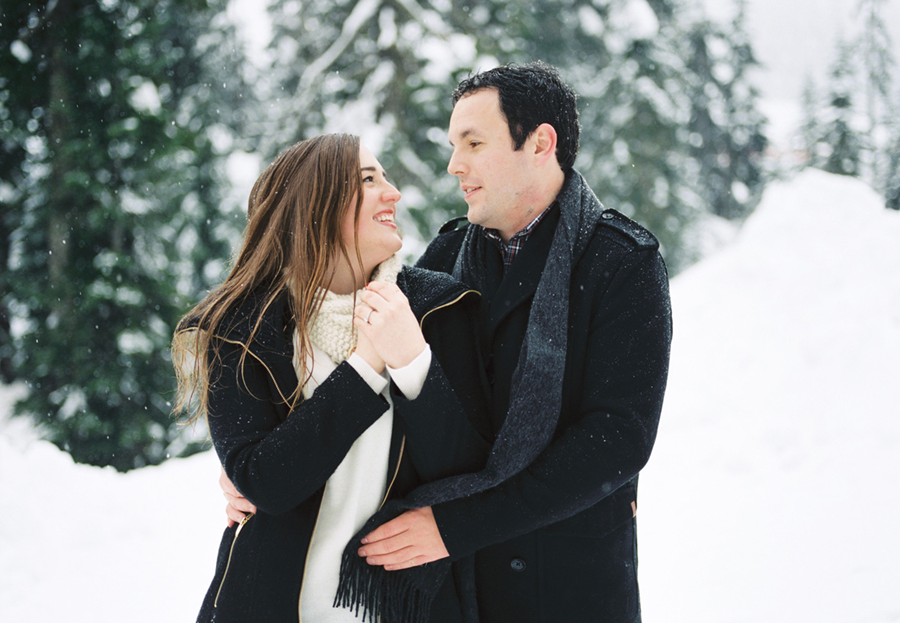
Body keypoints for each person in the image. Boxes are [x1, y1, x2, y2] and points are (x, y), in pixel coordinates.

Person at [225, 63, 673, 623]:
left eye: (474, 143)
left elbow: (615, 440)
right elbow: (378, 400)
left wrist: (457, 525)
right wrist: (249, 464)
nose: (453, 165)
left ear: (540, 143)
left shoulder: (621, 262)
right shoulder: (442, 264)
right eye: (453, 144)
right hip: (456, 593)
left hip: (566, 582)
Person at [173, 134, 490, 623]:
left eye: (386, 177)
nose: (394, 193)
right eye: (369, 179)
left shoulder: (439, 310)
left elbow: (469, 470)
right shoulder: (240, 329)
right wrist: (366, 366)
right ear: (313, 204)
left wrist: (411, 360)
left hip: (403, 610)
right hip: (267, 605)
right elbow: (266, 484)